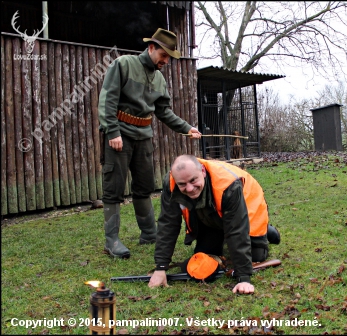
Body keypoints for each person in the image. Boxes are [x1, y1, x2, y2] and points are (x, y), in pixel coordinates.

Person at [98, 28, 202, 259]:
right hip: (119, 134)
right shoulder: (123, 64)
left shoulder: (159, 78)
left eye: (169, 57)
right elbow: (108, 99)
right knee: (114, 188)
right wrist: (112, 131)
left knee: (144, 186)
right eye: (164, 55)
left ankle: (148, 233)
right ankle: (111, 240)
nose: (166, 61)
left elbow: (164, 112)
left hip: (144, 135)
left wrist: (187, 128)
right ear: (151, 47)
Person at [148, 155, 281, 294]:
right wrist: (161, 267)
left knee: (256, 256)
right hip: (211, 216)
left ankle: (265, 230)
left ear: (203, 171)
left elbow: (237, 230)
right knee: (205, 256)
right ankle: (221, 234)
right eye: (182, 184)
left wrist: (244, 278)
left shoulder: (229, 186)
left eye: (193, 180)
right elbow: (168, 223)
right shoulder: (171, 183)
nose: (189, 188)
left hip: (247, 212)